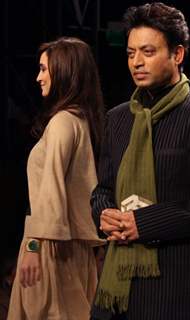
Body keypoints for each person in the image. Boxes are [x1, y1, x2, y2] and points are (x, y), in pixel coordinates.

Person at [90, 3, 190, 320]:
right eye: (131, 53)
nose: (137, 62)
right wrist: (103, 213)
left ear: (177, 54)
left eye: (147, 51)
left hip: (174, 290)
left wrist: (143, 224)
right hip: (115, 290)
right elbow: (103, 187)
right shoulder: (118, 118)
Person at [7, 37, 105, 320]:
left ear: (64, 71)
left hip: (50, 245)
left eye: (44, 69)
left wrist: (34, 247)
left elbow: (51, 190)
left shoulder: (63, 122)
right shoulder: (81, 120)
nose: (38, 77)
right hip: (69, 244)